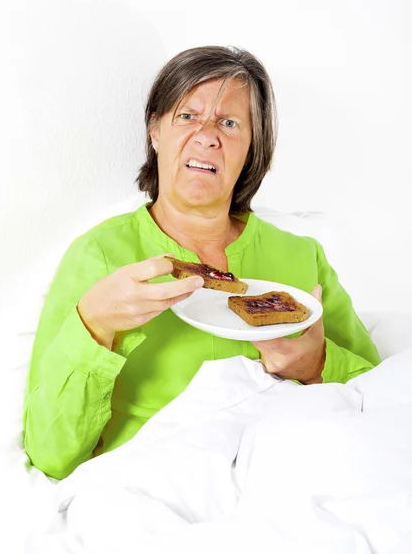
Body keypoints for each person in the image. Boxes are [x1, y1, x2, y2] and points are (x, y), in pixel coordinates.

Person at [23, 46, 381, 480]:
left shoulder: (302, 256)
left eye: (229, 123)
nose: (207, 136)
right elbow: (50, 454)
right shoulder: (99, 255)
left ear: (253, 147)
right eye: (187, 116)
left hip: (286, 476)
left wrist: (316, 365)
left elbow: (381, 397)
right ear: (155, 131)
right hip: (148, 486)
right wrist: (96, 325)